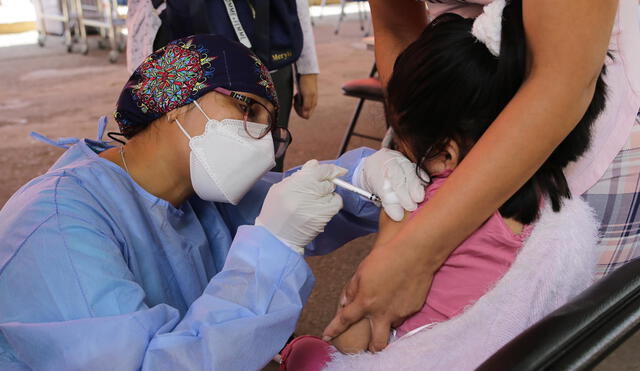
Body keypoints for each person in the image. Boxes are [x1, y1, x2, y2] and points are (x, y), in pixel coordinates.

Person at [0, 35, 424, 370]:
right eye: (246, 109)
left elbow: (307, 195)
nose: (264, 146)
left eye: (271, 128)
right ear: (174, 104)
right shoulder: (58, 221)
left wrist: (366, 175)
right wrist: (271, 250)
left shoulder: (198, 195)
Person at [277, 2, 608, 367]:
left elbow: (352, 339)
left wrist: (392, 235)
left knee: (306, 351)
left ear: (446, 153)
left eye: (401, 138)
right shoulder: (552, 200)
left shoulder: (423, 206)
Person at [125, 0, 320, 171]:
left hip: (268, 48)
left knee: (263, 164)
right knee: (189, 166)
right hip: (182, 48)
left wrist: (308, 66)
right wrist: (141, 71)